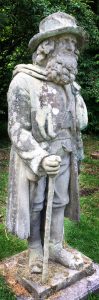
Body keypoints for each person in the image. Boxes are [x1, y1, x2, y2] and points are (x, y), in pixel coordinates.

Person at [7, 12, 88, 273]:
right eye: (67, 44)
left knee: (59, 201)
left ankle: (54, 246)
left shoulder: (69, 85)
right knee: (36, 204)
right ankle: (34, 249)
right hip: (38, 158)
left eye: (74, 47)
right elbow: (17, 128)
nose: (73, 51)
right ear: (48, 47)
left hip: (65, 153)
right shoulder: (24, 81)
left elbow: (76, 123)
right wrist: (40, 157)